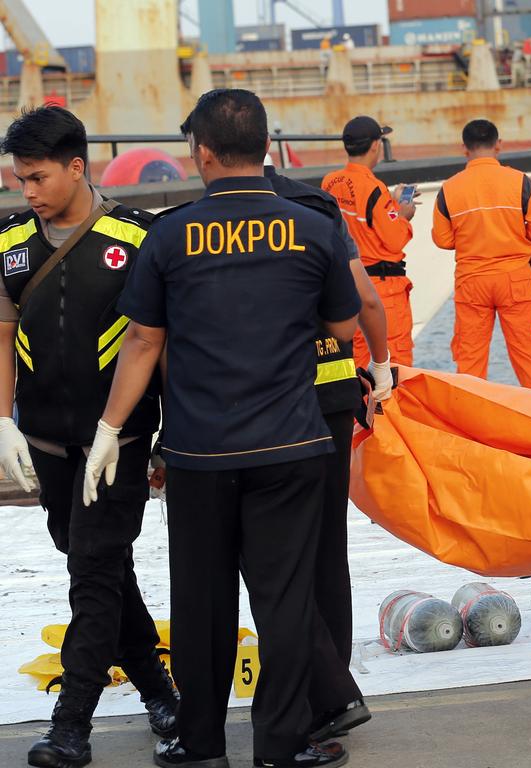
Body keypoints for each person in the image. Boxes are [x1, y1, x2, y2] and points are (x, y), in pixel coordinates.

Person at [82, 89, 361, 768]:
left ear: (200, 154)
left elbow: (143, 342)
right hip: (291, 444)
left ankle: (200, 746)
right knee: (286, 601)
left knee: (202, 603)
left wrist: (108, 431)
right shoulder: (313, 227)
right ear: (266, 147)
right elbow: (344, 325)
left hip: (200, 452)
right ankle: (281, 746)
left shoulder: (169, 234)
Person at [0, 106, 177, 768]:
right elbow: (3, 329)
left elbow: (159, 345)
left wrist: (166, 439)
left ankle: (70, 727)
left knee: (94, 574)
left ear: (78, 167)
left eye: (39, 177)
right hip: (46, 446)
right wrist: (3, 419)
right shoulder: (9, 240)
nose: (29, 191)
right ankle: (162, 695)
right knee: (97, 571)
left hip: (119, 444)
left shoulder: (137, 238)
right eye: (20, 179)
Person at [263, 154, 389, 739]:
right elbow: (363, 299)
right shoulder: (317, 207)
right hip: (333, 395)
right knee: (326, 549)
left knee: (276, 554)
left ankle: (313, 691)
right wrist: (381, 364)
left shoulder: (213, 213)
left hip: (265, 404)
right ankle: (334, 689)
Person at [431, 119, 531, 391]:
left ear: (465, 148)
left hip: (472, 283)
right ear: (498, 145)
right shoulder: (520, 182)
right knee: (530, 359)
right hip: (515, 281)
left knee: (470, 363)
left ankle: (473, 425)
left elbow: (442, 239)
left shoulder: (449, 189)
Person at [322, 116, 415, 367]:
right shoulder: (374, 188)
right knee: (395, 365)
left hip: (346, 286)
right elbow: (394, 239)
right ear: (375, 145)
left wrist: (391, 203)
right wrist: (404, 215)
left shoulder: (329, 181)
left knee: (358, 363)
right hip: (382, 290)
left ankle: (365, 407)